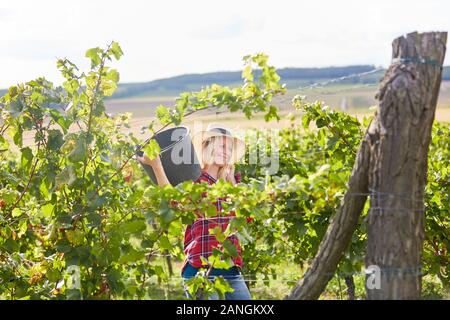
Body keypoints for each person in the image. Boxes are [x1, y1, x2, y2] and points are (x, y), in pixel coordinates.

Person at [136, 123, 251, 300]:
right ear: (207, 147)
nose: (226, 151)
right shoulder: (195, 180)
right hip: (199, 267)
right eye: (222, 146)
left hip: (230, 269)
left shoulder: (233, 185)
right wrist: (157, 166)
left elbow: (246, 219)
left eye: (230, 149)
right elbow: (174, 202)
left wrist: (232, 184)